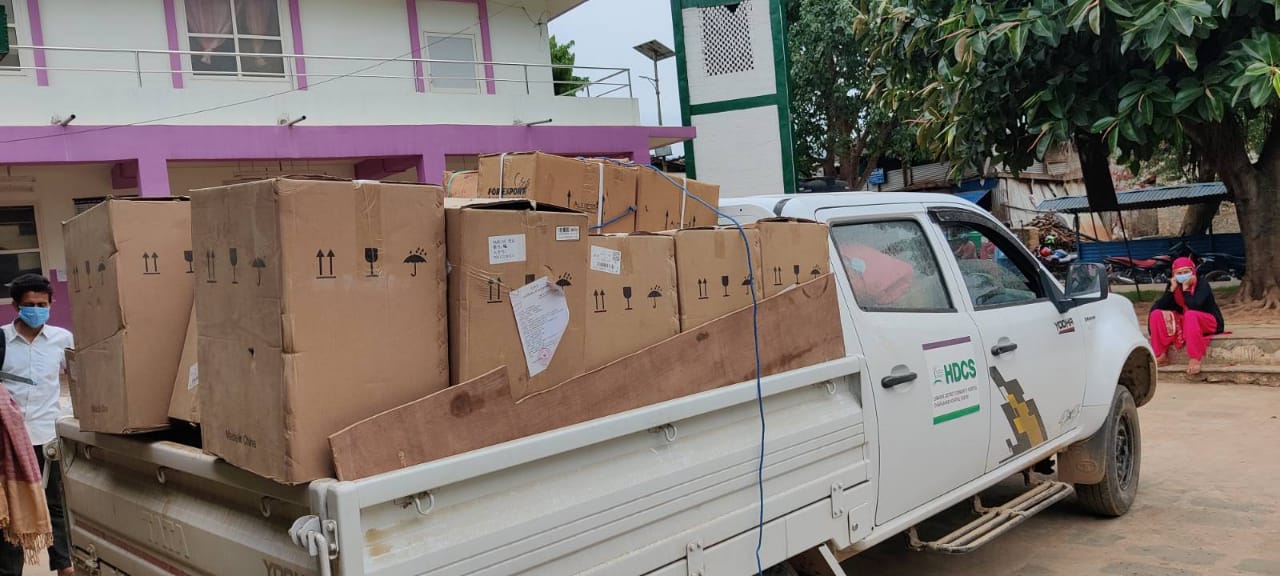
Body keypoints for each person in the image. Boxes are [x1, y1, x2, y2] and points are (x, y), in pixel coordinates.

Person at [0, 274, 73, 576]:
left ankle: (64, 565)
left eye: (42, 304)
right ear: (16, 306)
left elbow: (79, 380)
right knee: (11, 509)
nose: (36, 310)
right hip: (8, 443)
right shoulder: (1, 339)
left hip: (47, 438)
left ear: (51, 303)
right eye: (29, 305)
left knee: (56, 505)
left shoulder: (62, 339)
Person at [1149, 258, 1224, 376]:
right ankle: (1161, 355)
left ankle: (1195, 358)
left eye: (1186, 272)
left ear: (1193, 271)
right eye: (1179, 273)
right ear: (1174, 274)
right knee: (1156, 314)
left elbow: (1195, 305)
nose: (1183, 275)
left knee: (1190, 314)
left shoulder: (1202, 283)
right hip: (1186, 320)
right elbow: (1160, 306)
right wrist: (1171, 290)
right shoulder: (1173, 284)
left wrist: (1186, 288)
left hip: (1208, 321)